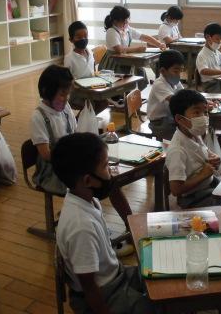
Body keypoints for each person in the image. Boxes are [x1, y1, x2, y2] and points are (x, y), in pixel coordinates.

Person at [53, 133, 158, 314]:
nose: (111, 171)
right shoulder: (81, 227)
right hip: (104, 294)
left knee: (162, 275)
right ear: (88, 180)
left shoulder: (86, 199)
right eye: (105, 166)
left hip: (117, 276)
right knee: (160, 306)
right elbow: (89, 287)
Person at [30, 65, 133, 243]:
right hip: (53, 170)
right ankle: (92, 222)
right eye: (62, 94)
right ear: (47, 92)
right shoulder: (38, 117)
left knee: (110, 179)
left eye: (67, 94)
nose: (66, 98)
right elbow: (46, 155)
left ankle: (129, 224)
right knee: (99, 181)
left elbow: (75, 135)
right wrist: (77, 158)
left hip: (73, 163)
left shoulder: (65, 109)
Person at [165, 89, 221, 208]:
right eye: (197, 112)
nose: (203, 117)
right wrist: (203, 174)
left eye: (205, 112)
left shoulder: (194, 134)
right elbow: (176, 189)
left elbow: (203, 152)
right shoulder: (178, 151)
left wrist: (213, 157)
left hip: (209, 185)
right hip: (194, 198)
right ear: (180, 119)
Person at [99, 5, 166, 73]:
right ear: (115, 21)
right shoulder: (111, 31)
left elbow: (143, 37)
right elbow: (119, 50)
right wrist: (137, 49)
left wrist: (159, 44)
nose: (125, 23)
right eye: (123, 21)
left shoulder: (127, 29)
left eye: (127, 21)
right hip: (114, 63)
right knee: (137, 72)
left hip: (125, 59)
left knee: (141, 71)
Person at [64, 21, 108, 113]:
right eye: (79, 37)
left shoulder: (90, 53)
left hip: (92, 90)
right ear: (71, 40)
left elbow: (93, 72)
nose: (83, 39)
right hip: (78, 93)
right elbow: (67, 80)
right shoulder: (69, 58)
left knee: (104, 103)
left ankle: (85, 120)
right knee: (90, 105)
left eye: (85, 36)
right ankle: (80, 121)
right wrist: (75, 85)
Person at [147, 49, 184, 141]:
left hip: (169, 118)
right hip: (159, 123)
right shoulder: (159, 84)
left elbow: (184, 94)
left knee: (187, 126)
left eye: (181, 71)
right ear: (163, 71)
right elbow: (175, 100)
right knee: (184, 132)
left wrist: (202, 100)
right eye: (176, 71)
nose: (179, 75)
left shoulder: (174, 81)